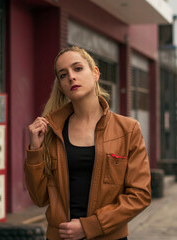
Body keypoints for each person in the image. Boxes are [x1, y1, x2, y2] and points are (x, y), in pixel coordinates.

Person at [24, 46, 151, 240]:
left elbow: (140, 195)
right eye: (63, 75)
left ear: (95, 73)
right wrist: (35, 150)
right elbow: (39, 198)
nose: (71, 77)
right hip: (60, 236)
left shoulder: (128, 129)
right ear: (61, 86)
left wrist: (90, 226)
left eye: (78, 68)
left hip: (110, 237)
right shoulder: (51, 131)